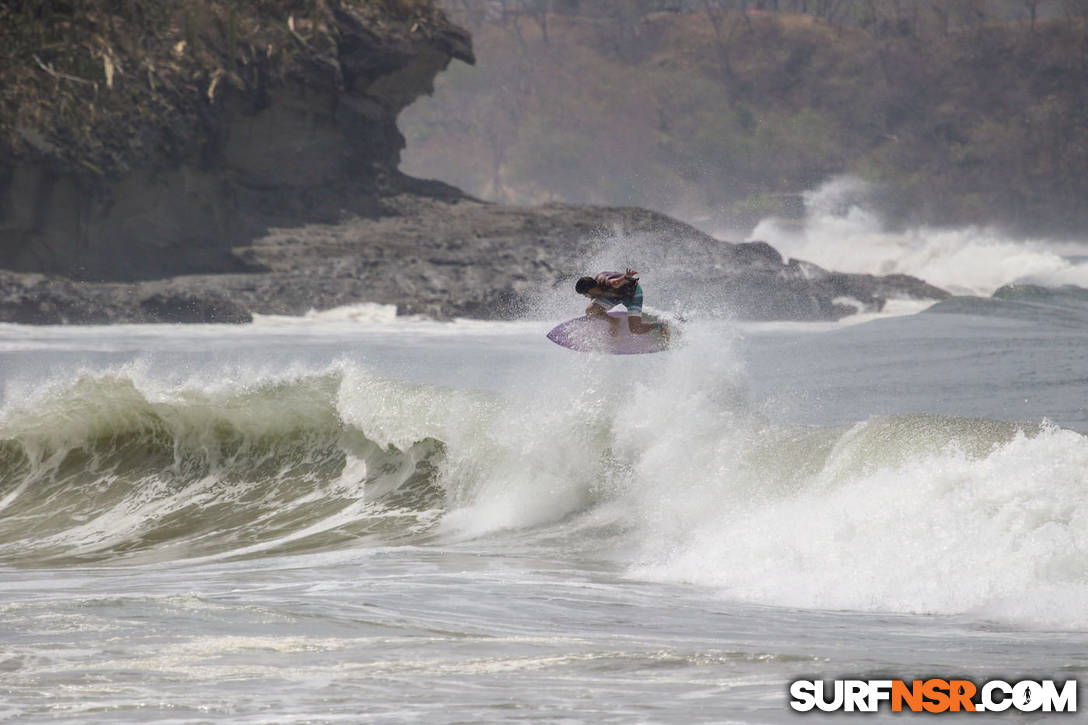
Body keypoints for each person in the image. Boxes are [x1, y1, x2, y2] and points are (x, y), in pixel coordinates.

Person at [574, 268, 669, 339]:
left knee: (635, 329)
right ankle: (614, 321)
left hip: (632, 293)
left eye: (585, 294)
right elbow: (594, 308)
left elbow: (616, 283)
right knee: (590, 311)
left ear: (591, 289)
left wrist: (626, 277)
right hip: (613, 295)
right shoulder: (596, 290)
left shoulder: (605, 283)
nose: (585, 296)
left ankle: (659, 325)